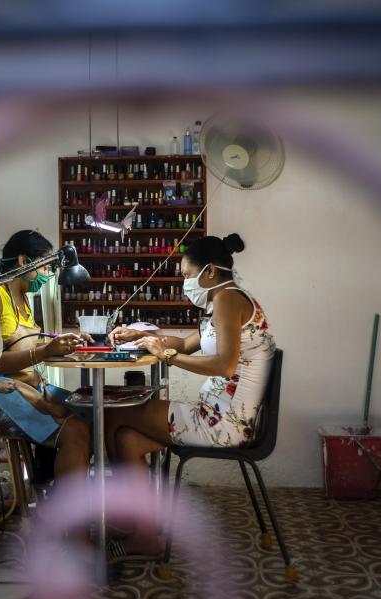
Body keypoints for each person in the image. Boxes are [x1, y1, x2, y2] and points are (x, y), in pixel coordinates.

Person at [104, 233, 276, 557]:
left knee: (113, 414)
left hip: (221, 423)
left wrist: (166, 357)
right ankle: (143, 529)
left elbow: (224, 366)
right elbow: (184, 344)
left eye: (186, 275)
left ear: (209, 271)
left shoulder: (228, 300)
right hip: (216, 414)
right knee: (126, 437)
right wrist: (142, 335)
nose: (185, 282)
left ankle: (136, 524)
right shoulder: (224, 301)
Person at [0, 230, 94, 482]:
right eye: (45, 266)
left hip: (20, 385)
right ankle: (66, 513)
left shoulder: (26, 300)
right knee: (74, 431)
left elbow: (22, 343)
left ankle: (52, 495)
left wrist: (64, 342)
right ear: (24, 261)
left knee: (87, 415)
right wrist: (43, 352)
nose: (48, 274)